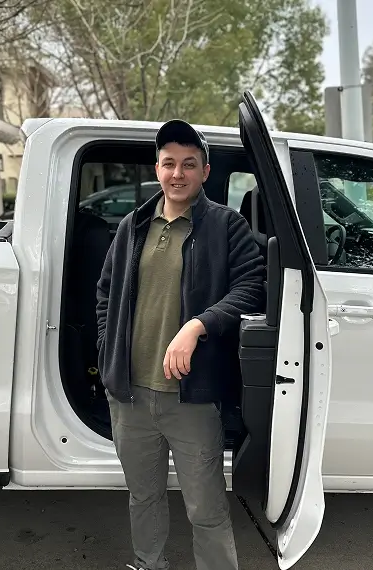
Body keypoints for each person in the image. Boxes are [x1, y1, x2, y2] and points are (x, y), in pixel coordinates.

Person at [95, 119, 265, 570]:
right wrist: (106, 355)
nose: (178, 173)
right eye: (169, 163)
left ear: (205, 172)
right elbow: (105, 294)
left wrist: (198, 325)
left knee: (205, 508)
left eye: (189, 164)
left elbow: (252, 286)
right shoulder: (132, 226)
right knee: (143, 497)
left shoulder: (226, 226)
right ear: (157, 168)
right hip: (130, 394)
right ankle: (149, 564)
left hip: (191, 396)